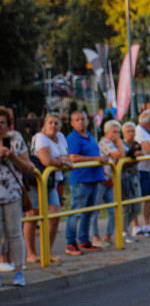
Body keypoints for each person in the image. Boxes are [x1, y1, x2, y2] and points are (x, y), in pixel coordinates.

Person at [24, 112, 71, 264]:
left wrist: (61, 161)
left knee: (55, 215)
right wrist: (61, 162)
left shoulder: (61, 137)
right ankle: (31, 254)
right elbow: (46, 160)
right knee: (33, 215)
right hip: (37, 180)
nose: (53, 125)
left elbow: (67, 156)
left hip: (52, 182)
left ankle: (47, 251)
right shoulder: (40, 137)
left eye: (56, 123)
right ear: (44, 124)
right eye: (50, 122)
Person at [65, 110, 109, 256]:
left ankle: (84, 240)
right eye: (77, 120)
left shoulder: (89, 135)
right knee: (76, 212)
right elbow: (74, 157)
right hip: (81, 180)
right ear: (72, 123)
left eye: (83, 119)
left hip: (94, 178)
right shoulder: (73, 138)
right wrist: (96, 159)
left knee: (88, 212)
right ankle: (71, 242)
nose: (80, 122)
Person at [0, 106, 33, 286]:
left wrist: (11, 155)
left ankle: (19, 271)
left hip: (12, 193)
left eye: (3, 123)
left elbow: (28, 167)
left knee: (14, 232)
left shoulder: (15, 139)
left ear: (8, 124)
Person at [90, 119, 124, 247]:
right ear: (106, 132)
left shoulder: (115, 143)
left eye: (118, 132)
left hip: (110, 180)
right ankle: (95, 236)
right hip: (101, 179)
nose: (117, 134)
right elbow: (119, 154)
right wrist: (120, 142)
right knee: (96, 210)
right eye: (114, 132)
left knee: (114, 209)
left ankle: (108, 235)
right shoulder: (105, 143)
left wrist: (119, 143)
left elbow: (124, 154)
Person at [120, 121, 142, 245]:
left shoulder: (136, 144)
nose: (131, 133)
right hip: (125, 177)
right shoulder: (122, 145)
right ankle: (124, 231)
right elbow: (122, 159)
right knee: (126, 207)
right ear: (124, 133)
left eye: (133, 130)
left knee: (137, 206)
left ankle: (124, 228)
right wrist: (133, 156)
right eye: (128, 131)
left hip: (135, 177)